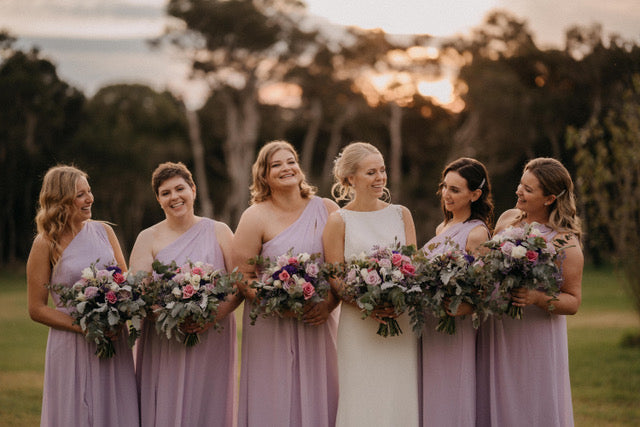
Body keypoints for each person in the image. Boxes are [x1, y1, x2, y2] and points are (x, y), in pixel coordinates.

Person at [233, 140, 340, 427]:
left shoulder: (327, 209)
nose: (286, 168)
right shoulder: (254, 216)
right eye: (276, 164)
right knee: (274, 395)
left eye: (290, 161)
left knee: (325, 390)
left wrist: (329, 304)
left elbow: (340, 267)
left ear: (299, 168)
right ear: (264, 176)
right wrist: (277, 304)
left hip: (317, 319)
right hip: (272, 323)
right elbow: (243, 276)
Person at [130, 162, 242, 427]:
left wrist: (210, 317)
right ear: (158, 199)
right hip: (165, 339)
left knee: (208, 404)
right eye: (166, 193)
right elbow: (139, 292)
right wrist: (172, 317)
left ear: (193, 189)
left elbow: (239, 285)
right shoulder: (148, 237)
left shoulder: (220, 231)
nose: (174, 197)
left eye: (180, 188)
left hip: (212, 337)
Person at [26, 165, 139, 427]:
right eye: (80, 194)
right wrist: (87, 328)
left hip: (114, 339)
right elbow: (36, 308)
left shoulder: (104, 231)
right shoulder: (45, 243)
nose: (90, 199)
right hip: (72, 342)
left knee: (116, 410)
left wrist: (118, 318)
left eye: (89, 192)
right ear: (61, 199)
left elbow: (124, 281)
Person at [476, 157, 583, 427]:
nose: (518, 192)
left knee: (529, 402)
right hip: (498, 328)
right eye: (520, 184)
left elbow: (573, 301)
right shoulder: (507, 219)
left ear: (548, 198)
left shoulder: (565, 241)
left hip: (533, 335)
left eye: (528, 189)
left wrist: (537, 297)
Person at [323, 142, 420, 427]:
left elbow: (413, 267)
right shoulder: (338, 221)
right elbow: (336, 277)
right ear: (350, 178)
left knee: (399, 395)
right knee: (361, 397)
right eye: (371, 172)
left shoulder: (401, 214)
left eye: (382, 170)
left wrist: (396, 298)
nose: (380, 178)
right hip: (358, 324)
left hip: (399, 321)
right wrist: (369, 303)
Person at [419, 157, 493, 426]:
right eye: (444, 187)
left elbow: (483, 293)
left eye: (455, 190)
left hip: (454, 326)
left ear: (475, 194)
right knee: (432, 392)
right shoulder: (443, 227)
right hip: (429, 324)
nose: (446, 195)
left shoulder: (477, 234)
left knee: (452, 391)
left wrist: (452, 307)